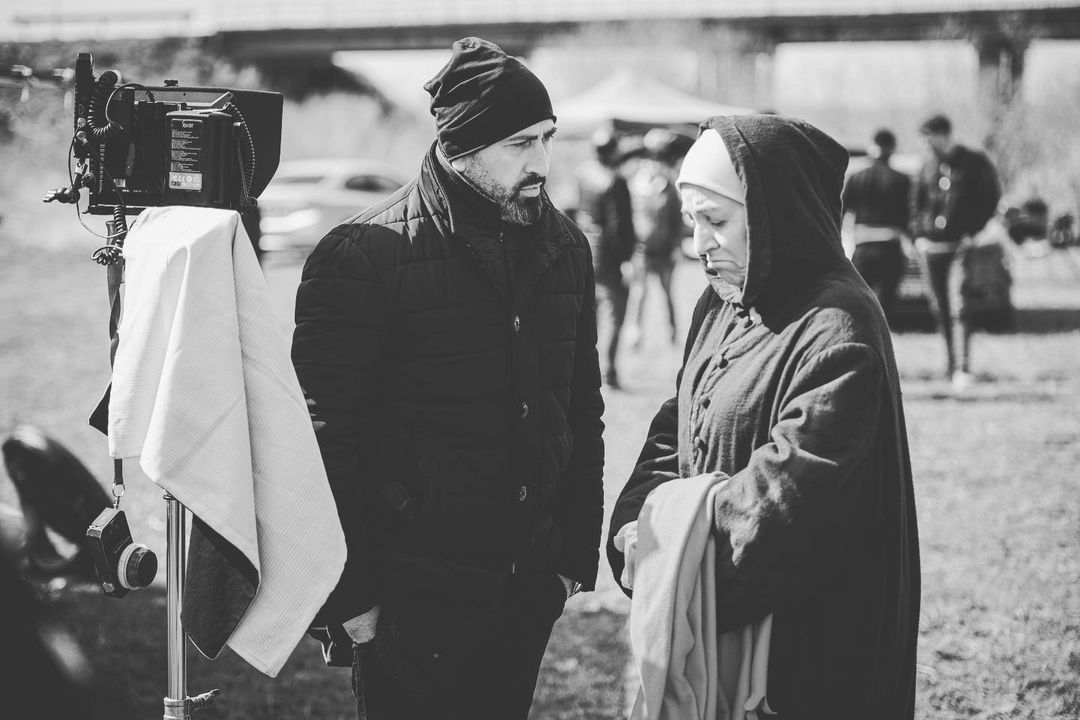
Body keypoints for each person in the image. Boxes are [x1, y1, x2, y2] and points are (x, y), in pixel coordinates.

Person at [292, 37, 605, 720]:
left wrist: (571, 561)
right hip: (409, 598)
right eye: (519, 143)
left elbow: (581, 407)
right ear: (462, 145)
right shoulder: (362, 255)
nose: (542, 162)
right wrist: (353, 597)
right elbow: (322, 440)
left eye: (547, 138)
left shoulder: (566, 248)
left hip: (527, 589)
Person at [607, 115, 921, 719]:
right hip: (721, 641)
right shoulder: (722, 301)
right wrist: (637, 524)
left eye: (717, 221)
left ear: (777, 214)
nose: (698, 243)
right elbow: (680, 421)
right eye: (692, 220)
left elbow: (789, 503)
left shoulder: (839, 330)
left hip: (805, 660)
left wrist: (669, 551)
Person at [911, 113, 1001, 391]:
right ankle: (950, 367)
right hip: (930, 248)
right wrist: (918, 236)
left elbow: (991, 197)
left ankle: (962, 368)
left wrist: (973, 231)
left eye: (928, 139)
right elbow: (915, 204)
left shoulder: (974, 162)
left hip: (959, 246)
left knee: (959, 306)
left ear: (943, 135)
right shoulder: (927, 166)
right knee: (940, 309)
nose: (926, 145)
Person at [576, 129, 638, 388]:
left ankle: (586, 372)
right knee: (614, 316)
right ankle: (609, 373)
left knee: (590, 318)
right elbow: (618, 226)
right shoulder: (615, 181)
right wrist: (626, 259)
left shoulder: (583, 173)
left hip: (587, 250)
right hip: (610, 257)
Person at [626, 128, 692, 349]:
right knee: (639, 294)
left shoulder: (669, 189)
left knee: (667, 295)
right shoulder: (635, 187)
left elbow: (677, 222)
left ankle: (674, 333)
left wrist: (676, 247)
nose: (653, 165)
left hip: (665, 252)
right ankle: (635, 335)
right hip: (642, 251)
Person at [841, 128, 911, 321]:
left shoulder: (857, 177)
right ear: (893, 148)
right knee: (885, 305)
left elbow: (840, 211)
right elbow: (910, 216)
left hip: (863, 248)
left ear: (872, 147)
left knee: (860, 301)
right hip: (891, 248)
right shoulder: (902, 180)